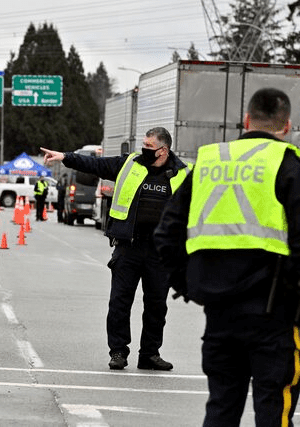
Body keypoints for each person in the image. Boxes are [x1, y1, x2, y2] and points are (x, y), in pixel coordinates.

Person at [154, 88, 300, 426]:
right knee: (273, 408)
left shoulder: (209, 161)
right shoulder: (288, 165)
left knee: (221, 406)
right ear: (287, 126)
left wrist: (190, 285)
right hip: (273, 314)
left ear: (246, 121)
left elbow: (166, 234)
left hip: (219, 312)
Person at [41, 127, 191, 371]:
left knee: (157, 306)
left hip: (160, 252)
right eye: (143, 144)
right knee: (119, 303)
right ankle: (118, 352)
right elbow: (96, 165)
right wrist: (65, 157)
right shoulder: (130, 163)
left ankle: (150, 354)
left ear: (163, 151)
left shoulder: (183, 174)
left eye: (149, 146)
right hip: (129, 247)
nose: (144, 149)